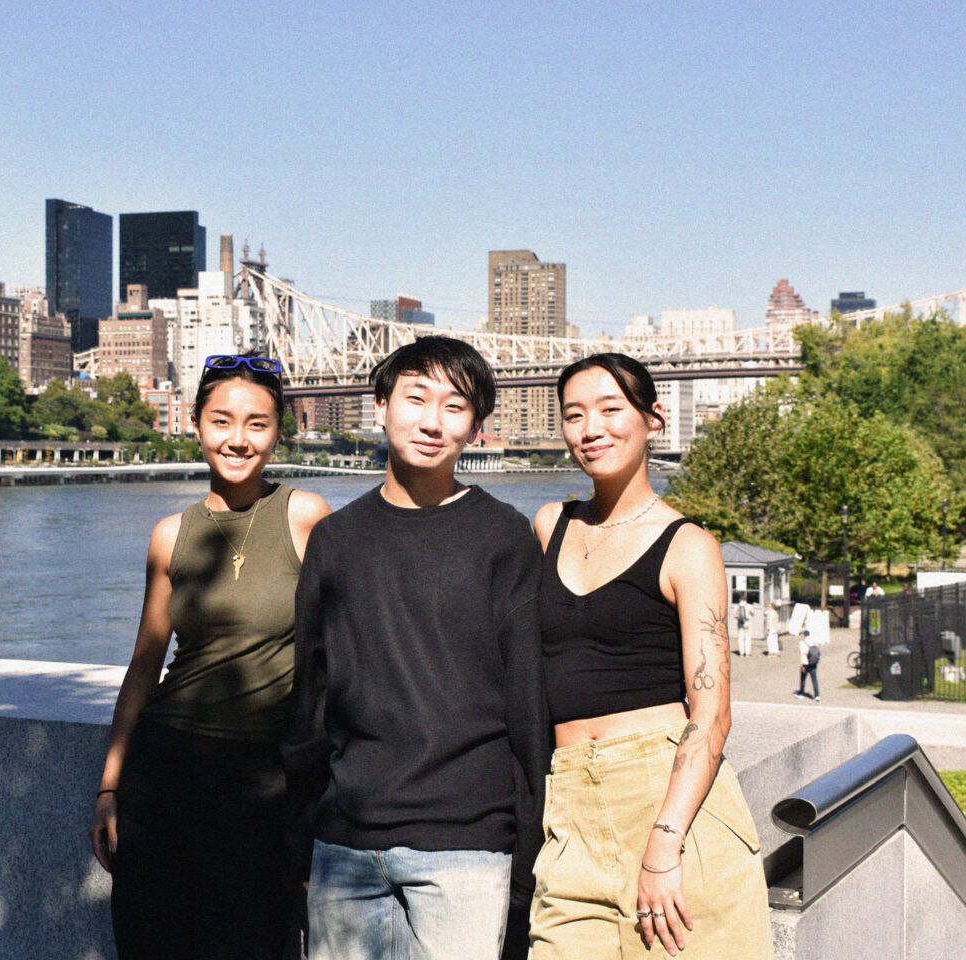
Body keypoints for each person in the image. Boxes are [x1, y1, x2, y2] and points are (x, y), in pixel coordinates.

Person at [284, 336, 548, 960]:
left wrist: (527, 860)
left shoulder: (504, 538)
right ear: (380, 406)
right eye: (416, 398)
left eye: (455, 407)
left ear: (476, 427)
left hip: (467, 846)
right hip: (343, 845)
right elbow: (310, 701)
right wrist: (300, 836)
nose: (432, 421)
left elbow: (528, 708)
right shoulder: (334, 539)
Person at [530, 353, 772, 960]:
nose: (591, 429)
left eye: (612, 410)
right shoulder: (549, 523)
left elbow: (711, 710)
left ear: (652, 420)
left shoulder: (688, 546)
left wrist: (665, 841)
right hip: (570, 808)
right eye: (574, 415)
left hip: (670, 802)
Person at [89, 355, 331, 960]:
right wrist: (109, 788)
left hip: (258, 782)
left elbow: (336, 663)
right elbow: (146, 663)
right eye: (222, 420)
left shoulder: (307, 517)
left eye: (257, 423)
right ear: (196, 424)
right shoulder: (170, 534)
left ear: (278, 433)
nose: (238, 438)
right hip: (164, 772)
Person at [795, 629, 821, 701]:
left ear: (803, 635)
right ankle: (817, 695)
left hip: (806, 663)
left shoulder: (802, 642)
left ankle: (801, 693)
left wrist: (802, 664)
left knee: (803, 679)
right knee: (814, 679)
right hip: (813, 662)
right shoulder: (814, 641)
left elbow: (802, 654)